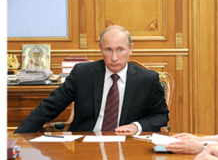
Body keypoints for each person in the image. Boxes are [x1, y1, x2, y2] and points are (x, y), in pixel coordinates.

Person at [15, 25, 169, 134]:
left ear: (131, 48)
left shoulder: (148, 79)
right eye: (108, 50)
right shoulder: (82, 74)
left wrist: (136, 126)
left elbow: (161, 116)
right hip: (85, 144)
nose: (114, 57)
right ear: (100, 48)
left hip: (129, 145)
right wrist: (19, 136)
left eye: (120, 50)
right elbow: (50, 107)